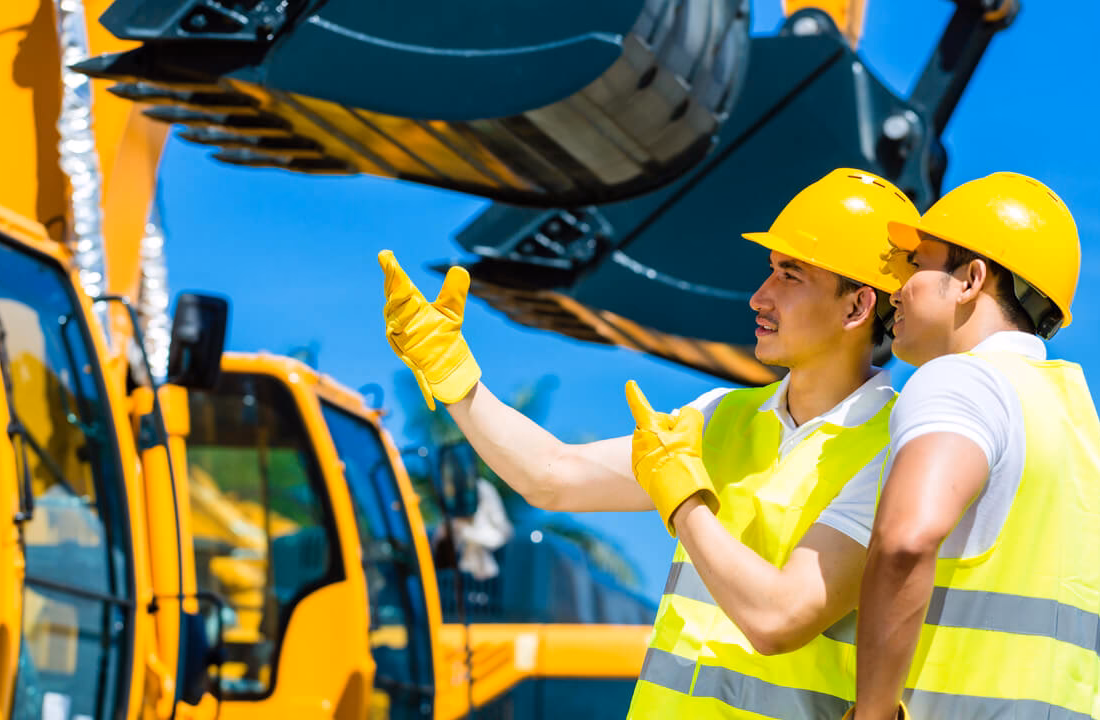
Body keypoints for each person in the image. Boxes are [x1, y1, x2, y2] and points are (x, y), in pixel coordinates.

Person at [379, 168, 921, 718]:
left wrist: (682, 500)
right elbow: (552, 475)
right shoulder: (717, 418)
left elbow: (778, 621)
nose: (760, 296)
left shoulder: (898, 451)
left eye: (791, 275)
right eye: (769, 271)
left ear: (856, 307)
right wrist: (455, 379)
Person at [851, 173, 1100, 720]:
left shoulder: (962, 381)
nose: (898, 289)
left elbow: (905, 539)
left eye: (919, 265)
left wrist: (873, 713)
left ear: (971, 278)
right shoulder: (1072, 419)